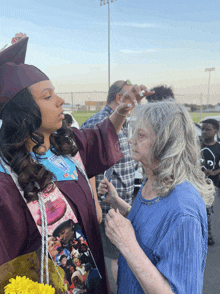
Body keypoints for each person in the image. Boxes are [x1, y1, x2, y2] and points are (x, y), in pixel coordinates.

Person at [0, 36, 152, 292]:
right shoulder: (7, 179)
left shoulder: (66, 148)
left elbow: (101, 136)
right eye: (48, 97)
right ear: (24, 112)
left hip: (92, 277)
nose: (60, 101)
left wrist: (123, 109)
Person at [98, 99, 214, 294]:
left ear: (165, 143)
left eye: (141, 135)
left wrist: (127, 244)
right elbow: (154, 227)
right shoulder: (153, 180)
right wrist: (117, 202)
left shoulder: (184, 212)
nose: (130, 139)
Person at [80, 80, 150, 292]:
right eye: (131, 96)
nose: (136, 101)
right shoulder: (96, 123)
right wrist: (96, 203)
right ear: (119, 98)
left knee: (126, 252)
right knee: (117, 256)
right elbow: (85, 167)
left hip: (125, 198)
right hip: (109, 203)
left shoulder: (126, 121)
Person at [200, 118, 220, 245]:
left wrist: (214, 172)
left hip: (210, 186)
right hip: (194, 183)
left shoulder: (218, 148)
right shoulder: (196, 144)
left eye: (208, 129)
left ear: (215, 131)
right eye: (202, 129)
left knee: (207, 211)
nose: (204, 132)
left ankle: (208, 235)